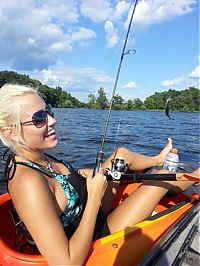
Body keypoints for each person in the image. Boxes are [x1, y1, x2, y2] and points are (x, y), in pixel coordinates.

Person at [0, 84, 198, 265]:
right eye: (39, 118)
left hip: (89, 208)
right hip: (91, 234)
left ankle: (156, 159)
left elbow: (55, 181)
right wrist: (95, 197)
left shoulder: (36, 157)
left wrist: (78, 174)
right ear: (10, 132)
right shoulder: (27, 182)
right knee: (159, 179)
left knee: (120, 155)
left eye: (49, 110)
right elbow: (66, 263)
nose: (53, 120)